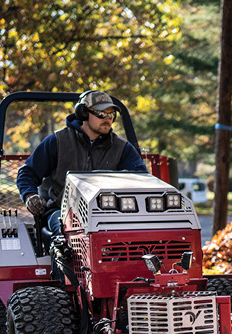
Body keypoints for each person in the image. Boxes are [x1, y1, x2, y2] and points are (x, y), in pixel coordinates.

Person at [16, 90, 147, 235]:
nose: (107, 119)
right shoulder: (58, 141)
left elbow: (141, 178)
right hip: (62, 211)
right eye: (101, 113)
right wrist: (30, 195)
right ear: (83, 113)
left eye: (111, 115)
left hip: (109, 213)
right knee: (71, 232)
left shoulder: (122, 148)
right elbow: (27, 172)